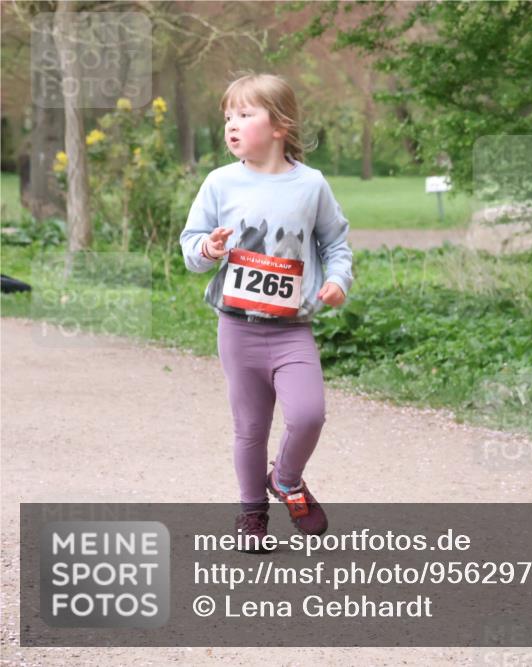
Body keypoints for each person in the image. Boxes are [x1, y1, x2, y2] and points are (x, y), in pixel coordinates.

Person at [179, 73, 353, 552]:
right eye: (228, 116)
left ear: (279, 126)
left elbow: (335, 243)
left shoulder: (310, 185)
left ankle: (287, 479)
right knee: (250, 428)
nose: (232, 125)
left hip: (292, 328)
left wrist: (338, 280)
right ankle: (252, 514)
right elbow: (190, 247)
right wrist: (209, 249)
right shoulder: (220, 183)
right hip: (237, 329)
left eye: (244, 114)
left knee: (309, 414)